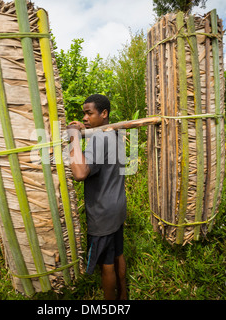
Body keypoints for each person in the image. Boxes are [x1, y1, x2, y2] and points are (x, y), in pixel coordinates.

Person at [66, 94, 128, 300]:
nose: (84, 117)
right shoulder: (116, 134)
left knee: (106, 265)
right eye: (83, 113)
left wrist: (74, 135)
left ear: (104, 113)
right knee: (118, 254)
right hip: (117, 208)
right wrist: (85, 131)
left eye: (89, 113)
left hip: (102, 214)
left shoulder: (98, 140)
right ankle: (124, 296)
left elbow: (81, 173)